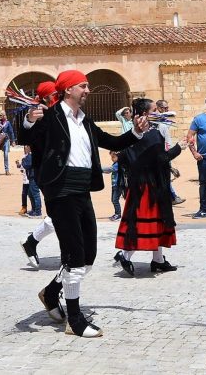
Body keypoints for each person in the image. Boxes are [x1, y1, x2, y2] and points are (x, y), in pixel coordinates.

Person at [21, 69, 148, 338]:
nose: (88, 90)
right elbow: (29, 138)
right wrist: (30, 121)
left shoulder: (85, 120)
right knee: (74, 258)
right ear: (68, 90)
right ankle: (75, 320)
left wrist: (135, 133)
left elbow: (111, 141)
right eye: (83, 86)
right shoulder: (51, 116)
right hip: (60, 192)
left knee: (88, 256)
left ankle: (52, 292)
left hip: (81, 191)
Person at [113, 98, 183, 275]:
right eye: (155, 110)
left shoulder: (136, 132)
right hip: (148, 187)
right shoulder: (150, 134)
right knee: (144, 224)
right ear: (145, 114)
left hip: (142, 184)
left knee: (156, 222)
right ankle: (125, 255)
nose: (159, 113)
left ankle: (158, 260)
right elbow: (162, 159)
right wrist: (179, 147)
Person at [20, 81, 59, 270]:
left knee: (62, 213)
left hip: (67, 171)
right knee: (60, 213)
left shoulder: (64, 112)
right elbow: (25, 138)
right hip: (47, 173)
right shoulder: (39, 116)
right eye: (55, 95)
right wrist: (30, 120)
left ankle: (31, 242)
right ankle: (32, 241)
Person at [155, 99, 184, 205]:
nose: (167, 110)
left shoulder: (162, 118)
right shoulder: (155, 118)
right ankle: (172, 197)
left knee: (165, 175)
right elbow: (172, 114)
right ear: (158, 108)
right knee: (164, 175)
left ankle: (172, 197)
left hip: (166, 150)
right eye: (164, 108)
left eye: (167, 107)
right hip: (161, 151)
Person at [107, 152, 125, 221]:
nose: (112, 159)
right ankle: (116, 213)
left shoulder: (118, 164)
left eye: (113, 157)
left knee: (115, 200)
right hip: (114, 185)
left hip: (118, 185)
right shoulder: (115, 164)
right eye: (111, 157)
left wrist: (99, 169)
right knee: (113, 200)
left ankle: (118, 214)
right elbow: (109, 170)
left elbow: (110, 169)